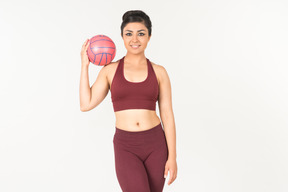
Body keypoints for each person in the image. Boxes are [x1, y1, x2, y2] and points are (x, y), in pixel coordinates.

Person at [79, 10, 177, 192]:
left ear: (149, 36)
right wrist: (84, 66)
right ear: (122, 37)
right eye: (129, 34)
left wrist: (173, 157)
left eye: (141, 33)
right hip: (126, 146)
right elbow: (86, 104)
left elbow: (167, 116)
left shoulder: (159, 71)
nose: (135, 39)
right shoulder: (110, 70)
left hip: (156, 144)